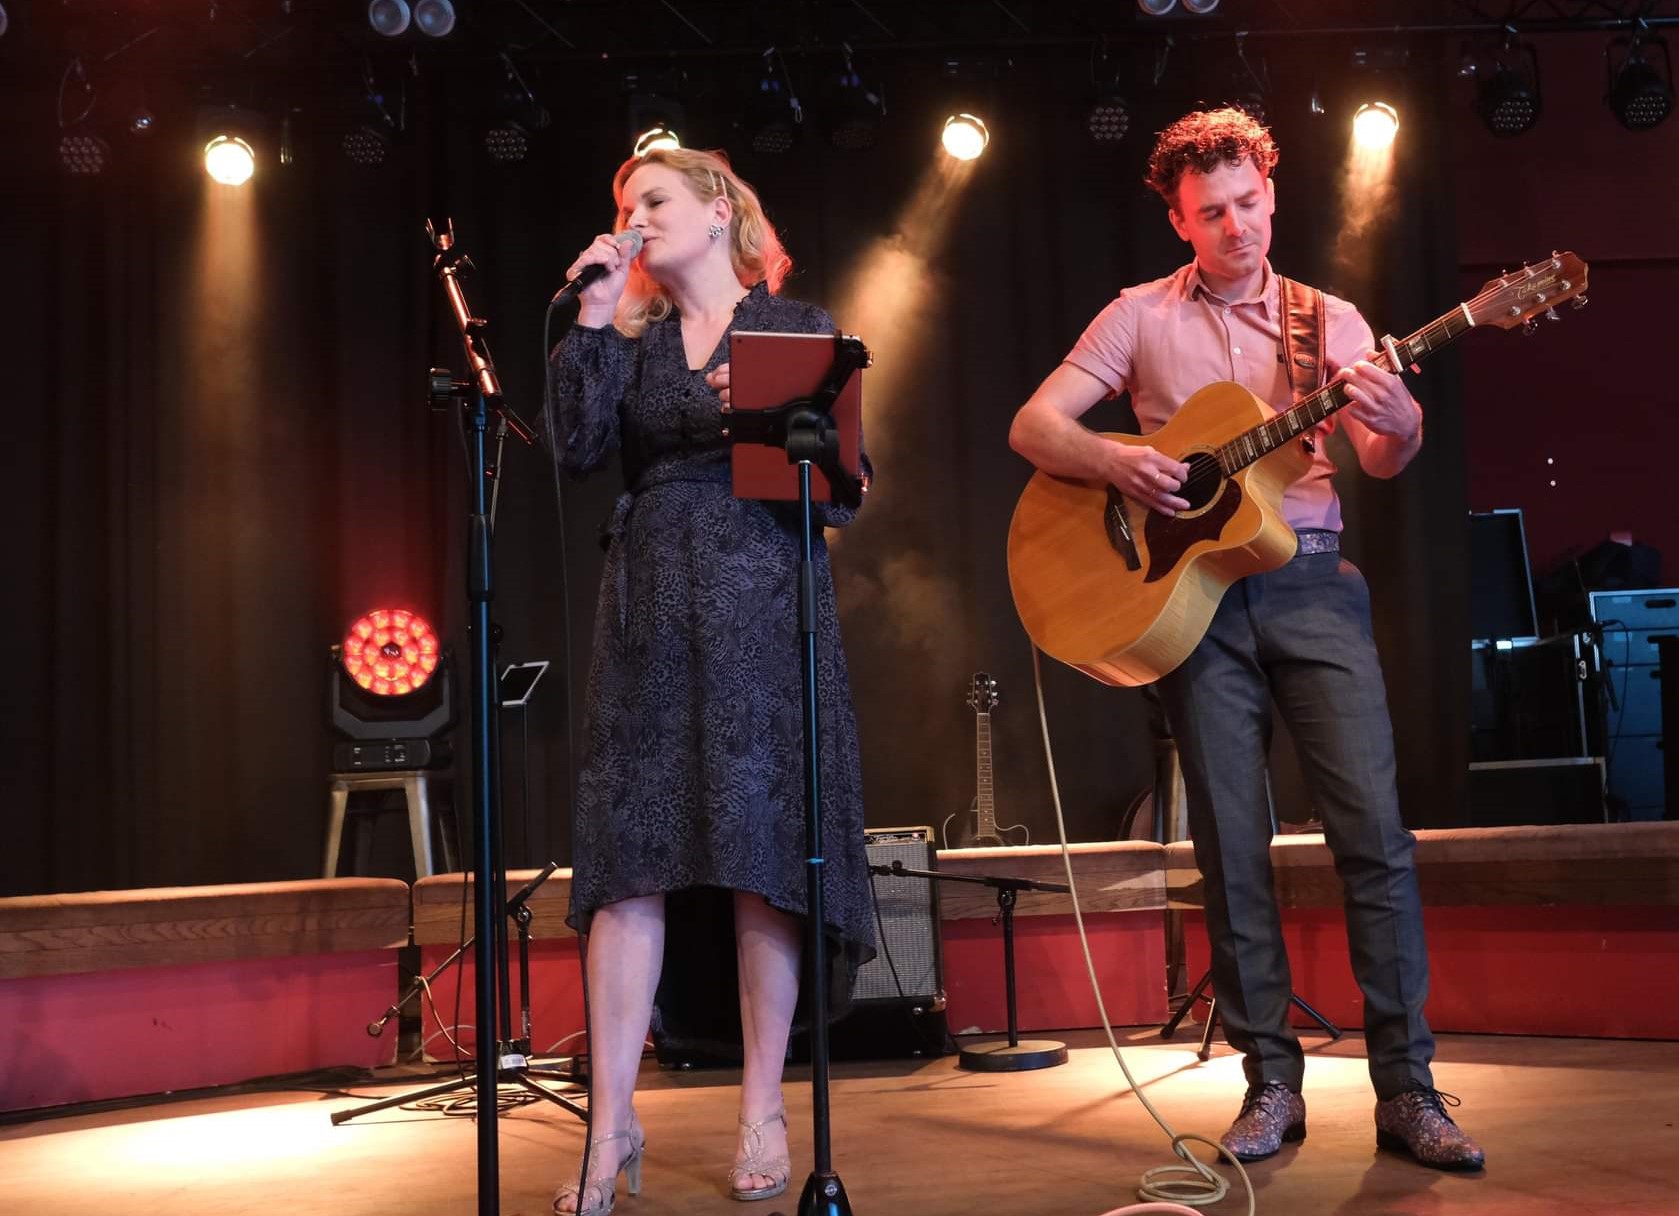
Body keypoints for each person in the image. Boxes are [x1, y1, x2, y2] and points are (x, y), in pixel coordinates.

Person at [1008, 108, 1484, 1171]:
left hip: (1312, 583)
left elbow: (1383, 454)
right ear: (1177, 217)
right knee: (1230, 851)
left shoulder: (1334, 318)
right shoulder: (1133, 315)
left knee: (1371, 834)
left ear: (1271, 193)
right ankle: (1270, 1085)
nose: (1234, 226)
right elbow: (1033, 427)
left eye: (1248, 204)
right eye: (1209, 212)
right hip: (1194, 607)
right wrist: (1117, 463)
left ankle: (1406, 1088)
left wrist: (1398, 423)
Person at [543, 146, 876, 1214]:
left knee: (757, 846)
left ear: (716, 206)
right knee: (628, 857)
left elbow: (841, 495)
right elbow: (575, 444)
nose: (632, 218)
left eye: (652, 199)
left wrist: (782, 426)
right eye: (621, 205)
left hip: (761, 600)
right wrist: (589, 319)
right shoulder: (627, 341)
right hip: (648, 607)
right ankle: (610, 1126)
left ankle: (762, 1106)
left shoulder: (790, 326)